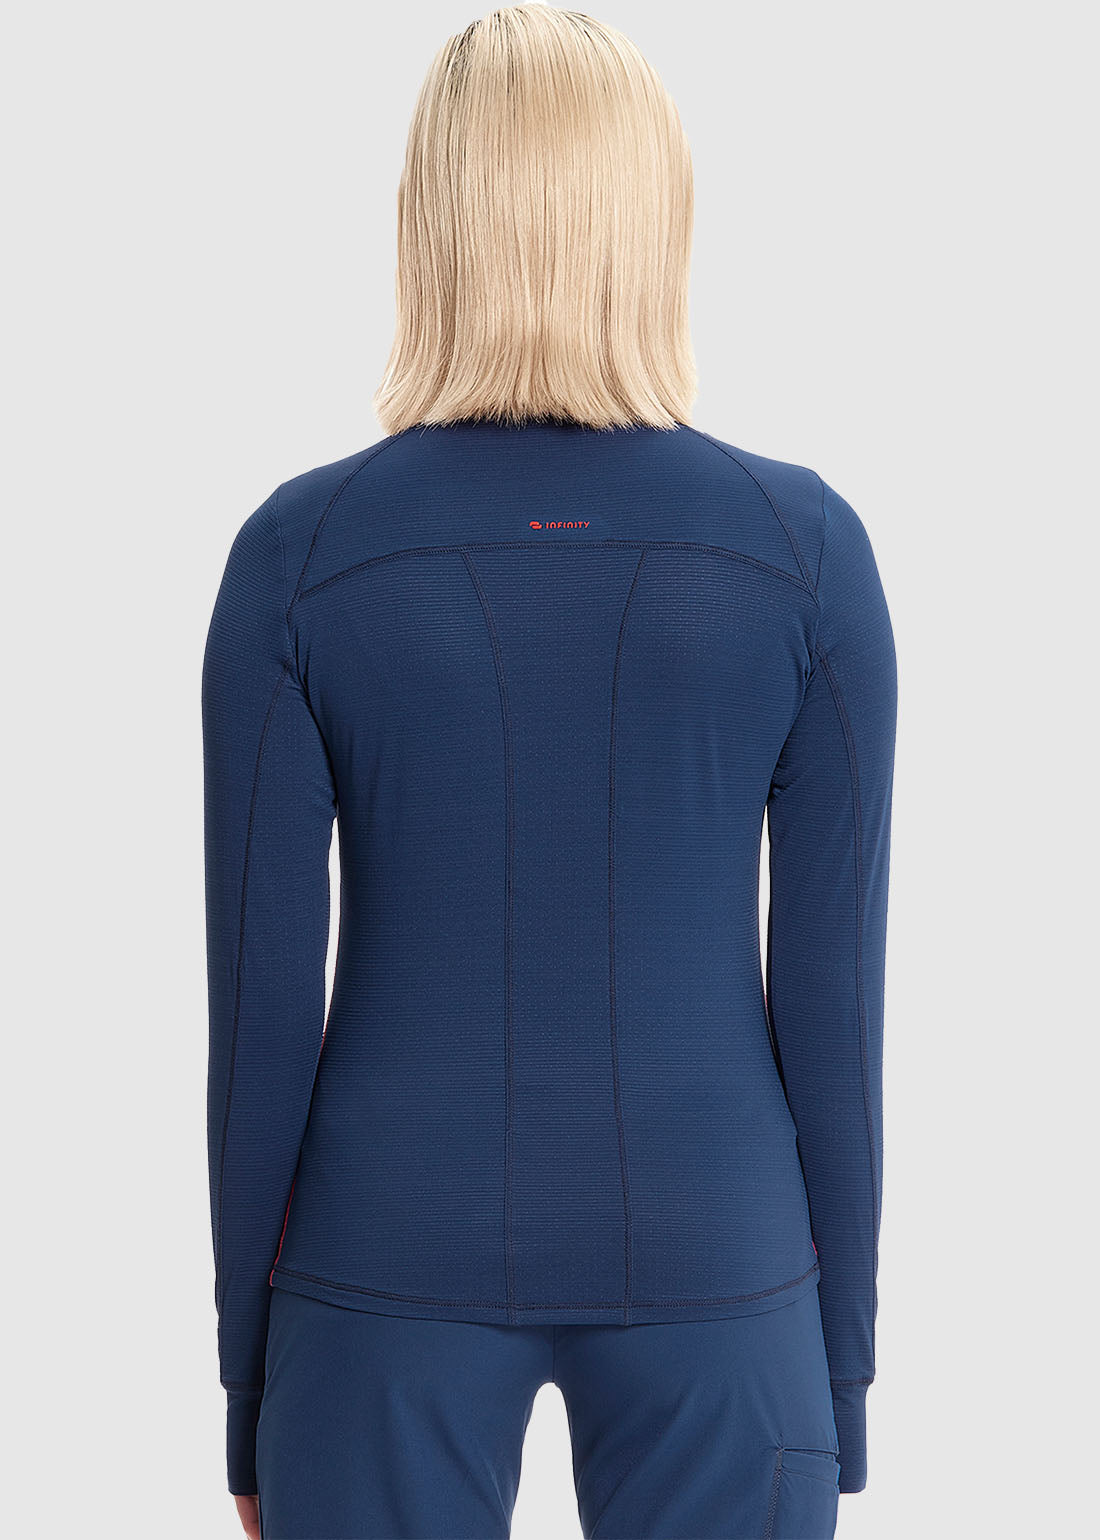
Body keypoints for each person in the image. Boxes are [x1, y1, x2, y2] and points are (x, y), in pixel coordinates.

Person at [202, 7, 898, 1538]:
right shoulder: (803, 555)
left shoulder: (297, 556)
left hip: (381, 1263)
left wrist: (250, 1395)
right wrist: (838, 1380)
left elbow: (258, 1022)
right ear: (656, 220)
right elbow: (836, 1014)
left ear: (428, 224)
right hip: (723, 1262)